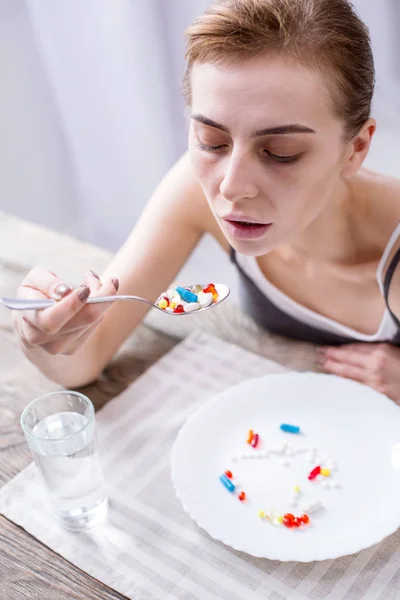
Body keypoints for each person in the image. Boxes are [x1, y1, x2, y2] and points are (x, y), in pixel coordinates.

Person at [12, 0, 400, 402]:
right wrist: (45, 338)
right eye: (212, 142)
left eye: (281, 152)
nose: (232, 187)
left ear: (356, 148)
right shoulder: (194, 190)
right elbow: (83, 361)